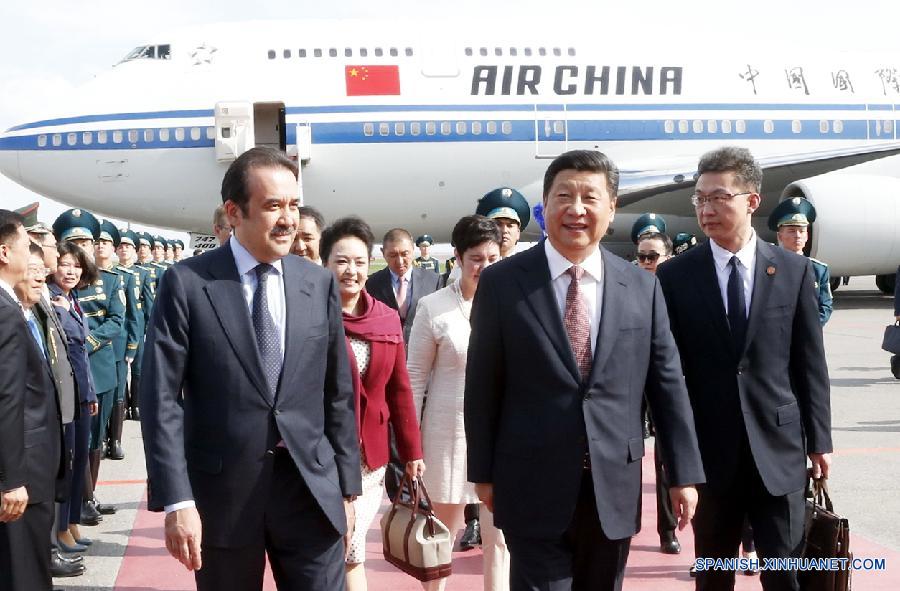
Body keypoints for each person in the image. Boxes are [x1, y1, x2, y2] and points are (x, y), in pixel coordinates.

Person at [465, 150, 704, 591]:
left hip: (612, 485)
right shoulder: (503, 283)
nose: (576, 209)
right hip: (529, 482)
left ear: (611, 208)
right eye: (564, 196)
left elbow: (667, 386)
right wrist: (482, 471)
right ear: (545, 205)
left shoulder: (642, 287)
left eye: (590, 198)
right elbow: (482, 385)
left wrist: (683, 474)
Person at [140, 147, 361, 591]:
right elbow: (160, 399)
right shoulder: (188, 283)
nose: (288, 219)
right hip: (223, 499)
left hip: (309, 490)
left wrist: (347, 487)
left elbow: (336, 392)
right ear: (234, 212)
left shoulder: (316, 282)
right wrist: (177, 500)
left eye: (294, 205)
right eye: (273, 205)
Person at [656, 146, 832, 591]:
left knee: (785, 576)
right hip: (711, 459)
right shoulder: (676, 277)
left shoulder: (793, 271)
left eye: (719, 197)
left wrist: (820, 442)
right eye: (700, 199)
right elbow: (667, 377)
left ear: (752, 201)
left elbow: (809, 364)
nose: (706, 209)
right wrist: (678, 463)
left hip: (780, 453)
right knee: (714, 576)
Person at [320, 216, 425, 591]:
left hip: (369, 457)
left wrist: (412, 452)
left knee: (352, 547)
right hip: (322, 453)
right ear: (325, 264)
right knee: (326, 549)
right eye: (341, 261)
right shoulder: (310, 318)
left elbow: (400, 390)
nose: (351, 270)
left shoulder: (386, 318)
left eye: (359, 262)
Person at [407, 215, 510, 591]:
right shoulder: (433, 307)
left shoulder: (513, 303)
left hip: (501, 437)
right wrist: (411, 446)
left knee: (500, 540)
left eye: (493, 258)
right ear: (458, 257)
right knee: (441, 536)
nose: (485, 267)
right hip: (447, 435)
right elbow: (414, 378)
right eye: (476, 259)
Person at [0, 214, 63, 591]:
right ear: (4, 253)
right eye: (25, 246)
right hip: (21, 472)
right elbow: (7, 397)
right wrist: (12, 480)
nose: (32, 254)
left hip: (20, 467)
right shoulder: (6, 312)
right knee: (24, 574)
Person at [52, 208, 125, 523]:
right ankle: (79, 502)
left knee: (94, 440)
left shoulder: (109, 280)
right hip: (70, 369)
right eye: (74, 243)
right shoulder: (55, 283)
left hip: (101, 367)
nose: (80, 248)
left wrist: (89, 341)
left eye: (84, 243)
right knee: (75, 441)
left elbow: (117, 320)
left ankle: (89, 495)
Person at [48, 241, 100, 560]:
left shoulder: (72, 299)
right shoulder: (53, 299)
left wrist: (90, 392)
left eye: (77, 266)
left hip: (81, 391)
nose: (71, 271)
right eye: (65, 264)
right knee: (67, 464)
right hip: (67, 393)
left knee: (80, 460)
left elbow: (82, 352)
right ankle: (61, 529)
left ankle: (72, 521)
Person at [96, 221, 140, 461]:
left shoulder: (124, 277)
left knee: (117, 394)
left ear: (112, 248)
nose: (101, 246)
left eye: (105, 242)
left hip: (118, 346)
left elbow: (134, 315)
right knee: (99, 395)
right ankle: (100, 438)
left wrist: (132, 346)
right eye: (98, 242)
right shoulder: (84, 276)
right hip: (97, 348)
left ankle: (115, 440)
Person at [366, 228, 442, 346]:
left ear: (413, 249)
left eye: (404, 254)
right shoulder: (372, 284)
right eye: (393, 255)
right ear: (383, 253)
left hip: (422, 351)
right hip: (387, 350)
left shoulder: (433, 281)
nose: (400, 261)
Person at [767, 197, 833, 324]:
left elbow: (825, 306)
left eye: (801, 231)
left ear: (806, 236)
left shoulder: (818, 269)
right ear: (780, 236)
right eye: (791, 231)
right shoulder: (769, 267)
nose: (797, 236)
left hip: (808, 332)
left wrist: (809, 328)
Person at [116, 229, 154, 420]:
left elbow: (149, 303)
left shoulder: (143, 273)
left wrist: (149, 328)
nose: (124, 249)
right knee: (120, 367)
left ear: (134, 250)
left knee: (138, 368)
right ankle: (122, 404)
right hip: (119, 327)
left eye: (128, 246)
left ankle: (136, 405)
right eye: (121, 246)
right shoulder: (111, 272)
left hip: (137, 326)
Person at [475, 187, 530, 259]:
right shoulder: (475, 264)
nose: (504, 230)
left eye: (510, 225)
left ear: (518, 233)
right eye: (498, 224)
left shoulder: (530, 263)